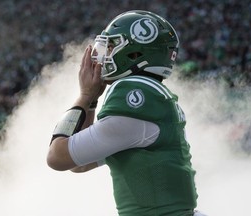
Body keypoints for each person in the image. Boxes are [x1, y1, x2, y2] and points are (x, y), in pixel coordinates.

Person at [47, 10, 206, 216]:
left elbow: (57, 157)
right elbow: (79, 164)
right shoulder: (153, 97)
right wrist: (92, 101)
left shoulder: (135, 95)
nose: (103, 55)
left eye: (112, 46)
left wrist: (85, 96)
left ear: (134, 54)